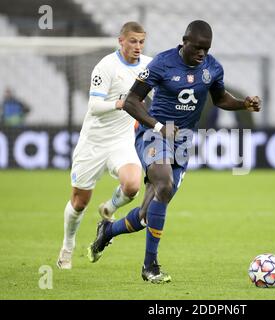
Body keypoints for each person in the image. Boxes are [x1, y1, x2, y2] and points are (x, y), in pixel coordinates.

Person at [87, 20, 261, 283]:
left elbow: (221, 98)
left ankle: (108, 231)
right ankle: (150, 267)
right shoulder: (162, 63)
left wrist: (243, 104)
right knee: (164, 185)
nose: (202, 53)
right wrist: (158, 126)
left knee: (147, 215)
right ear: (184, 41)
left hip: (183, 141)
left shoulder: (212, 67)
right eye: (198, 47)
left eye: (207, 48)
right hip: (154, 134)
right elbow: (132, 101)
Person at [56, 21, 154, 269]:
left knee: (132, 185)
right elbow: (94, 107)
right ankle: (68, 245)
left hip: (122, 140)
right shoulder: (106, 67)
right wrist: (122, 104)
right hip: (93, 143)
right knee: (79, 202)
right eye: (133, 41)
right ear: (121, 41)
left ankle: (109, 209)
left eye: (141, 42)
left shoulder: (148, 65)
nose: (137, 47)